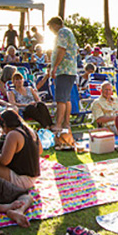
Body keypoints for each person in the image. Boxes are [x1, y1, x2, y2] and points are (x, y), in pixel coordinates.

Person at [0, 109, 41, 191]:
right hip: (32, 177)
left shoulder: (13, 134)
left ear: (5, 125)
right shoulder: (31, 131)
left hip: (21, 180)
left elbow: (4, 161)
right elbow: (39, 151)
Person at [45, 16, 79, 148]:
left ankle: (59, 125)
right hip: (69, 70)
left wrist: (55, 67)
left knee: (61, 99)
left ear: (55, 25)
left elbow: (61, 49)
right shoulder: (68, 32)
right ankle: (66, 123)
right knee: (66, 98)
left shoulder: (62, 32)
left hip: (64, 69)